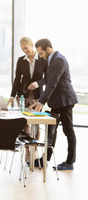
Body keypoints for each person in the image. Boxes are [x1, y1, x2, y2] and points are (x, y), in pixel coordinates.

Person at [30, 38, 77, 170]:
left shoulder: (58, 60)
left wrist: (40, 102)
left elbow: (52, 84)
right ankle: (44, 160)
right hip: (57, 101)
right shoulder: (52, 60)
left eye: (41, 53)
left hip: (65, 100)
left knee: (68, 131)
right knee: (52, 131)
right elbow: (48, 79)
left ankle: (70, 162)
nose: (40, 56)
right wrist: (38, 83)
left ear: (48, 49)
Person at [7, 37, 47, 162]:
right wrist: (12, 96)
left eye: (26, 48)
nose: (25, 51)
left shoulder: (42, 60)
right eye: (22, 49)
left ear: (31, 45)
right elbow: (16, 79)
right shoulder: (21, 60)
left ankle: (34, 148)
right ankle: (27, 149)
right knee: (24, 122)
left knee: (35, 122)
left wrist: (38, 83)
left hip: (37, 96)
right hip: (22, 95)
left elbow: (48, 78)